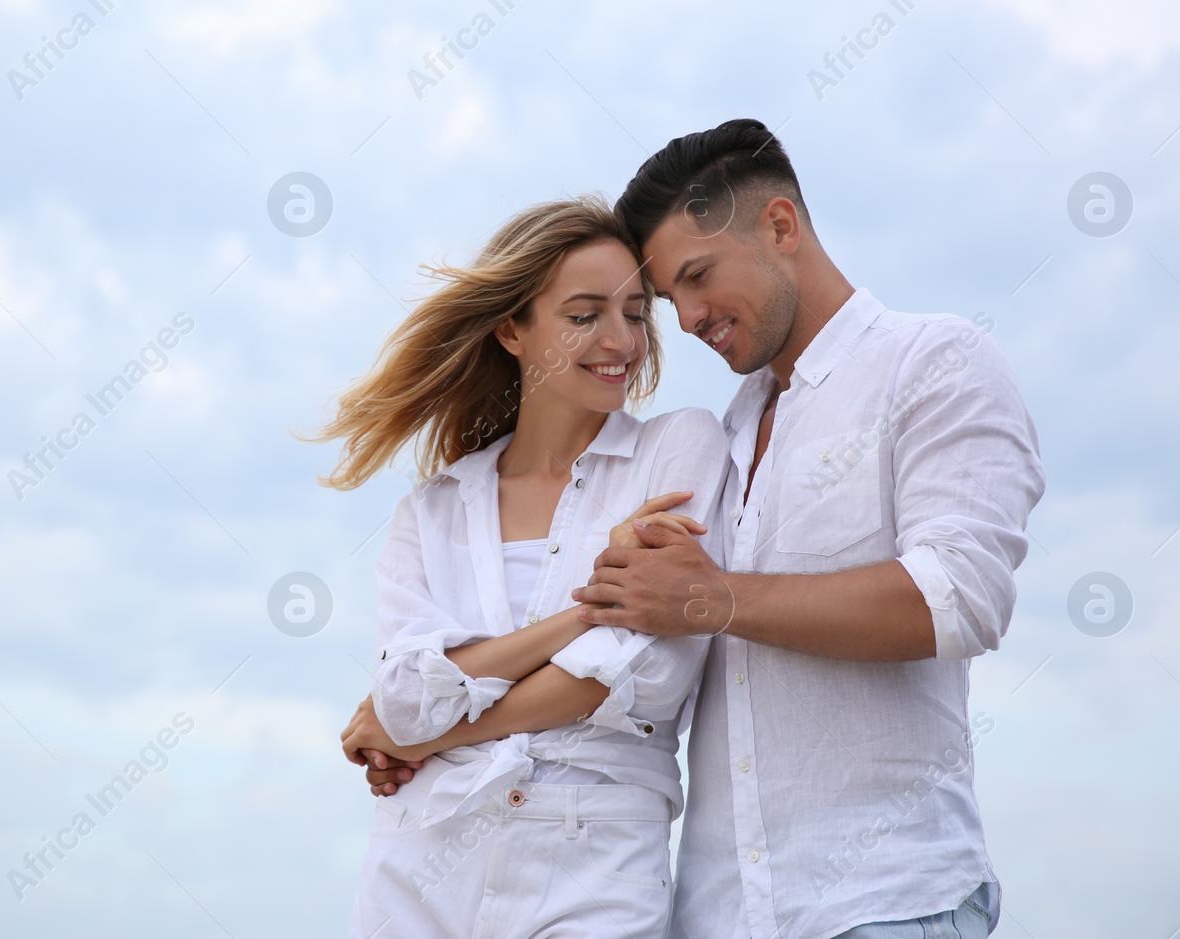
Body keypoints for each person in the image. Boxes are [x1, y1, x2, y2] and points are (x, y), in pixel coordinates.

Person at [368, 120, 1046, 939]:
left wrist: (709, 599)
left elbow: (960, 599)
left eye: (695, 277)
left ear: (780, 226)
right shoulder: (730, 429)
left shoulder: (930, 362)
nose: (684, 318)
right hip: (718, 911)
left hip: (885, 900)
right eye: (668, 299)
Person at [321, 196, 731, 938]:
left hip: (593, 863)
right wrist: (585, 613)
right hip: (423, 864)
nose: (621, 340)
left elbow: (646, 676)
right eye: (584, 315)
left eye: (635, 312)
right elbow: (407, 696)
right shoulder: (434, 508)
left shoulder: (678, 448)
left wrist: (430, 735)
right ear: (513, 328)